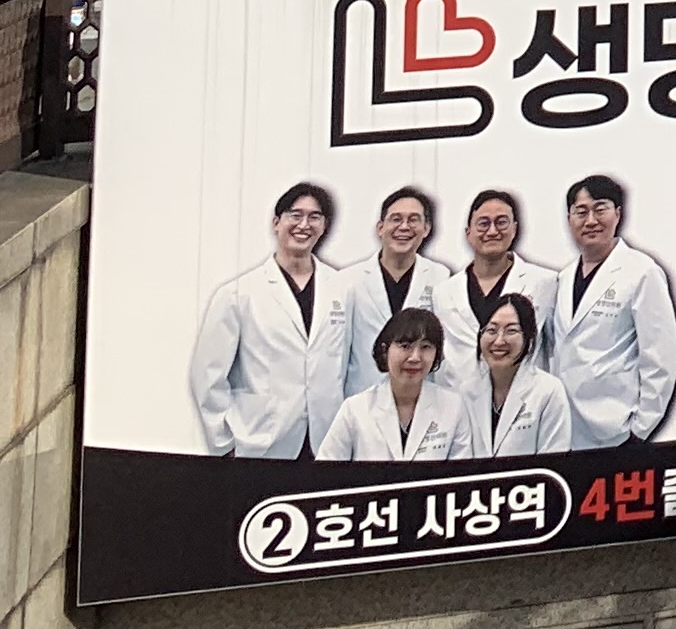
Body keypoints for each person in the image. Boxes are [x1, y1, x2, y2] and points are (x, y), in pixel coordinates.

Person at [188, 183, 346, 457]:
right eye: (295, 215)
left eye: (314, 217)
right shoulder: (238, 294)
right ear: (276, 223)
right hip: (263, 441)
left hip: (327, 440)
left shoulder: (343, 287)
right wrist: (224, 443)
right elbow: (207, 375)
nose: (304, 224)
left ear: (324, 226)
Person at [551, 173, 676, 447]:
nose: (590, 221)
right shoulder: (563, 278)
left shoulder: (641, 271)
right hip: (566, 427)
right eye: (581, 212)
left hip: (616, 427)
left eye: (600, 209)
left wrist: (641, 428)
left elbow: (661, 355)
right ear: (569, 219)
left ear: (618, 214)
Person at [336, 185, 457, 399]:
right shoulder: (349, 280)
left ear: (426, 229)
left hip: (422, 395)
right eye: (396, 219)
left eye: (413, 220)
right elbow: (338, 351)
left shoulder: (441, 278)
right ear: (380, 227)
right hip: (364, 397)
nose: (404, 226)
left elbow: (444, 348)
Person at [315, 307, 476, 464]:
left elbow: (461, 473)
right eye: (405, 346)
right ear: (385, 350)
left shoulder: (453, 407)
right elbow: (326, 470)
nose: (415, 357)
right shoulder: (355, 409)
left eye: (426, 347)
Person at [434, 188, 536, 378]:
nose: (492, 231)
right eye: (483, 224)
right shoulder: (443, 291)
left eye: (501, 222)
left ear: (514, 229)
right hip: (457, 392)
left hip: (520, 391)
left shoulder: (543, 283)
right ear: (468, 233)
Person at [464, 289, 576, 457]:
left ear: (528, 338)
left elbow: (554, 459)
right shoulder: (467, 392)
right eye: (491, 330)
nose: (499, 341)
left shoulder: (548, 391)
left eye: (511, 331)